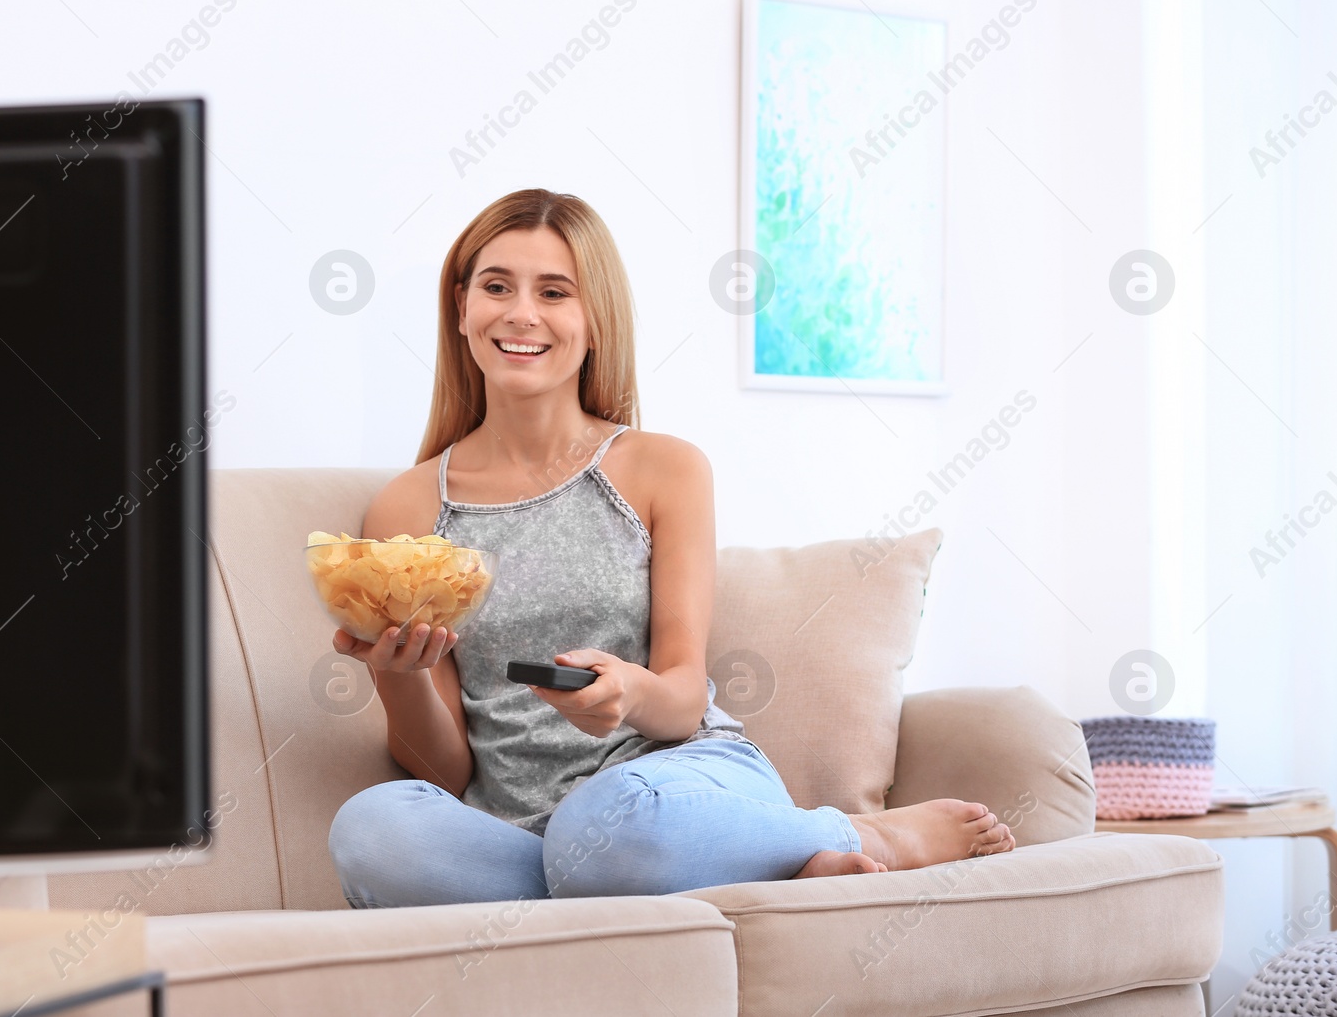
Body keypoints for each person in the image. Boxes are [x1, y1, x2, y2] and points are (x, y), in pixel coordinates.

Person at [326, 188, 1014, 909]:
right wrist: (399, 675)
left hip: (677, 788)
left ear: (595, 321)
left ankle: (858, 836)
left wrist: (629, 692)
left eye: (554, 291)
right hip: (522, 830)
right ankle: (707, 873)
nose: (520, 313)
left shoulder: (663, 469)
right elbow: (444, 772)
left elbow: (684, 699)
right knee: (370, 828)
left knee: (606, 830)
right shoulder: (407, 508)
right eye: (496, 286)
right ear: (462, 305)